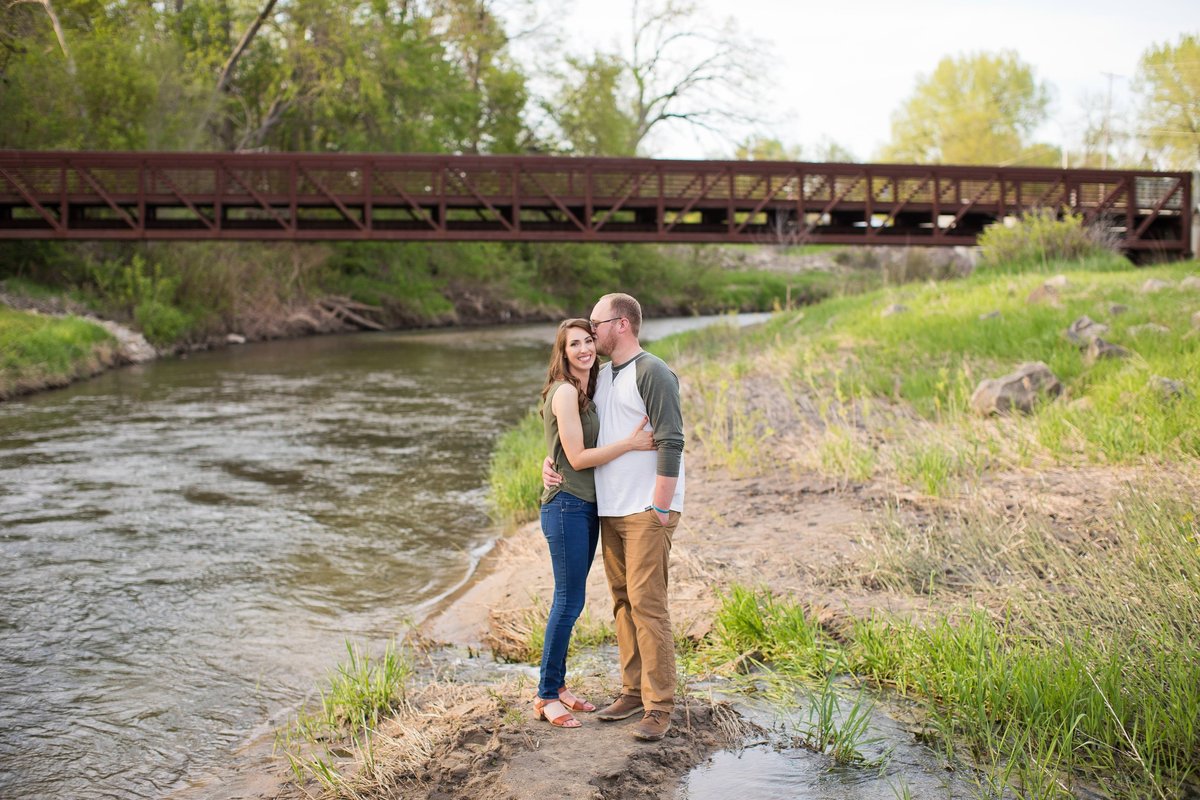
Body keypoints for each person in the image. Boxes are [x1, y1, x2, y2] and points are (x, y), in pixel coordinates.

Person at [544, 293, 685, 742]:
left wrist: (662, 506)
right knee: (623, 601)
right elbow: (576, 436)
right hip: (610, 508)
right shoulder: (602, 377)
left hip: (646, 508)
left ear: (620, 324)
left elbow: (671, 441)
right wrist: (548, 463)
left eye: (596, 323)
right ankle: (631, 691)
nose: (591, 331)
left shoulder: (653, 371)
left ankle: (659, 706)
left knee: (648, 605)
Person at [533, 318, 657, 730]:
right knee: (567, 602)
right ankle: (547, 695)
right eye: (575, 344)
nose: (585, 349)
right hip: (565, 506)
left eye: (589, 340)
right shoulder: (567, 391)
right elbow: (579, 457)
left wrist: (548, 459)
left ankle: (560, 686)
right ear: (563, 352)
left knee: (573, 601)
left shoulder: (590, 387)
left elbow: (559, 449)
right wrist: (632, 444)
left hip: (586, 505)